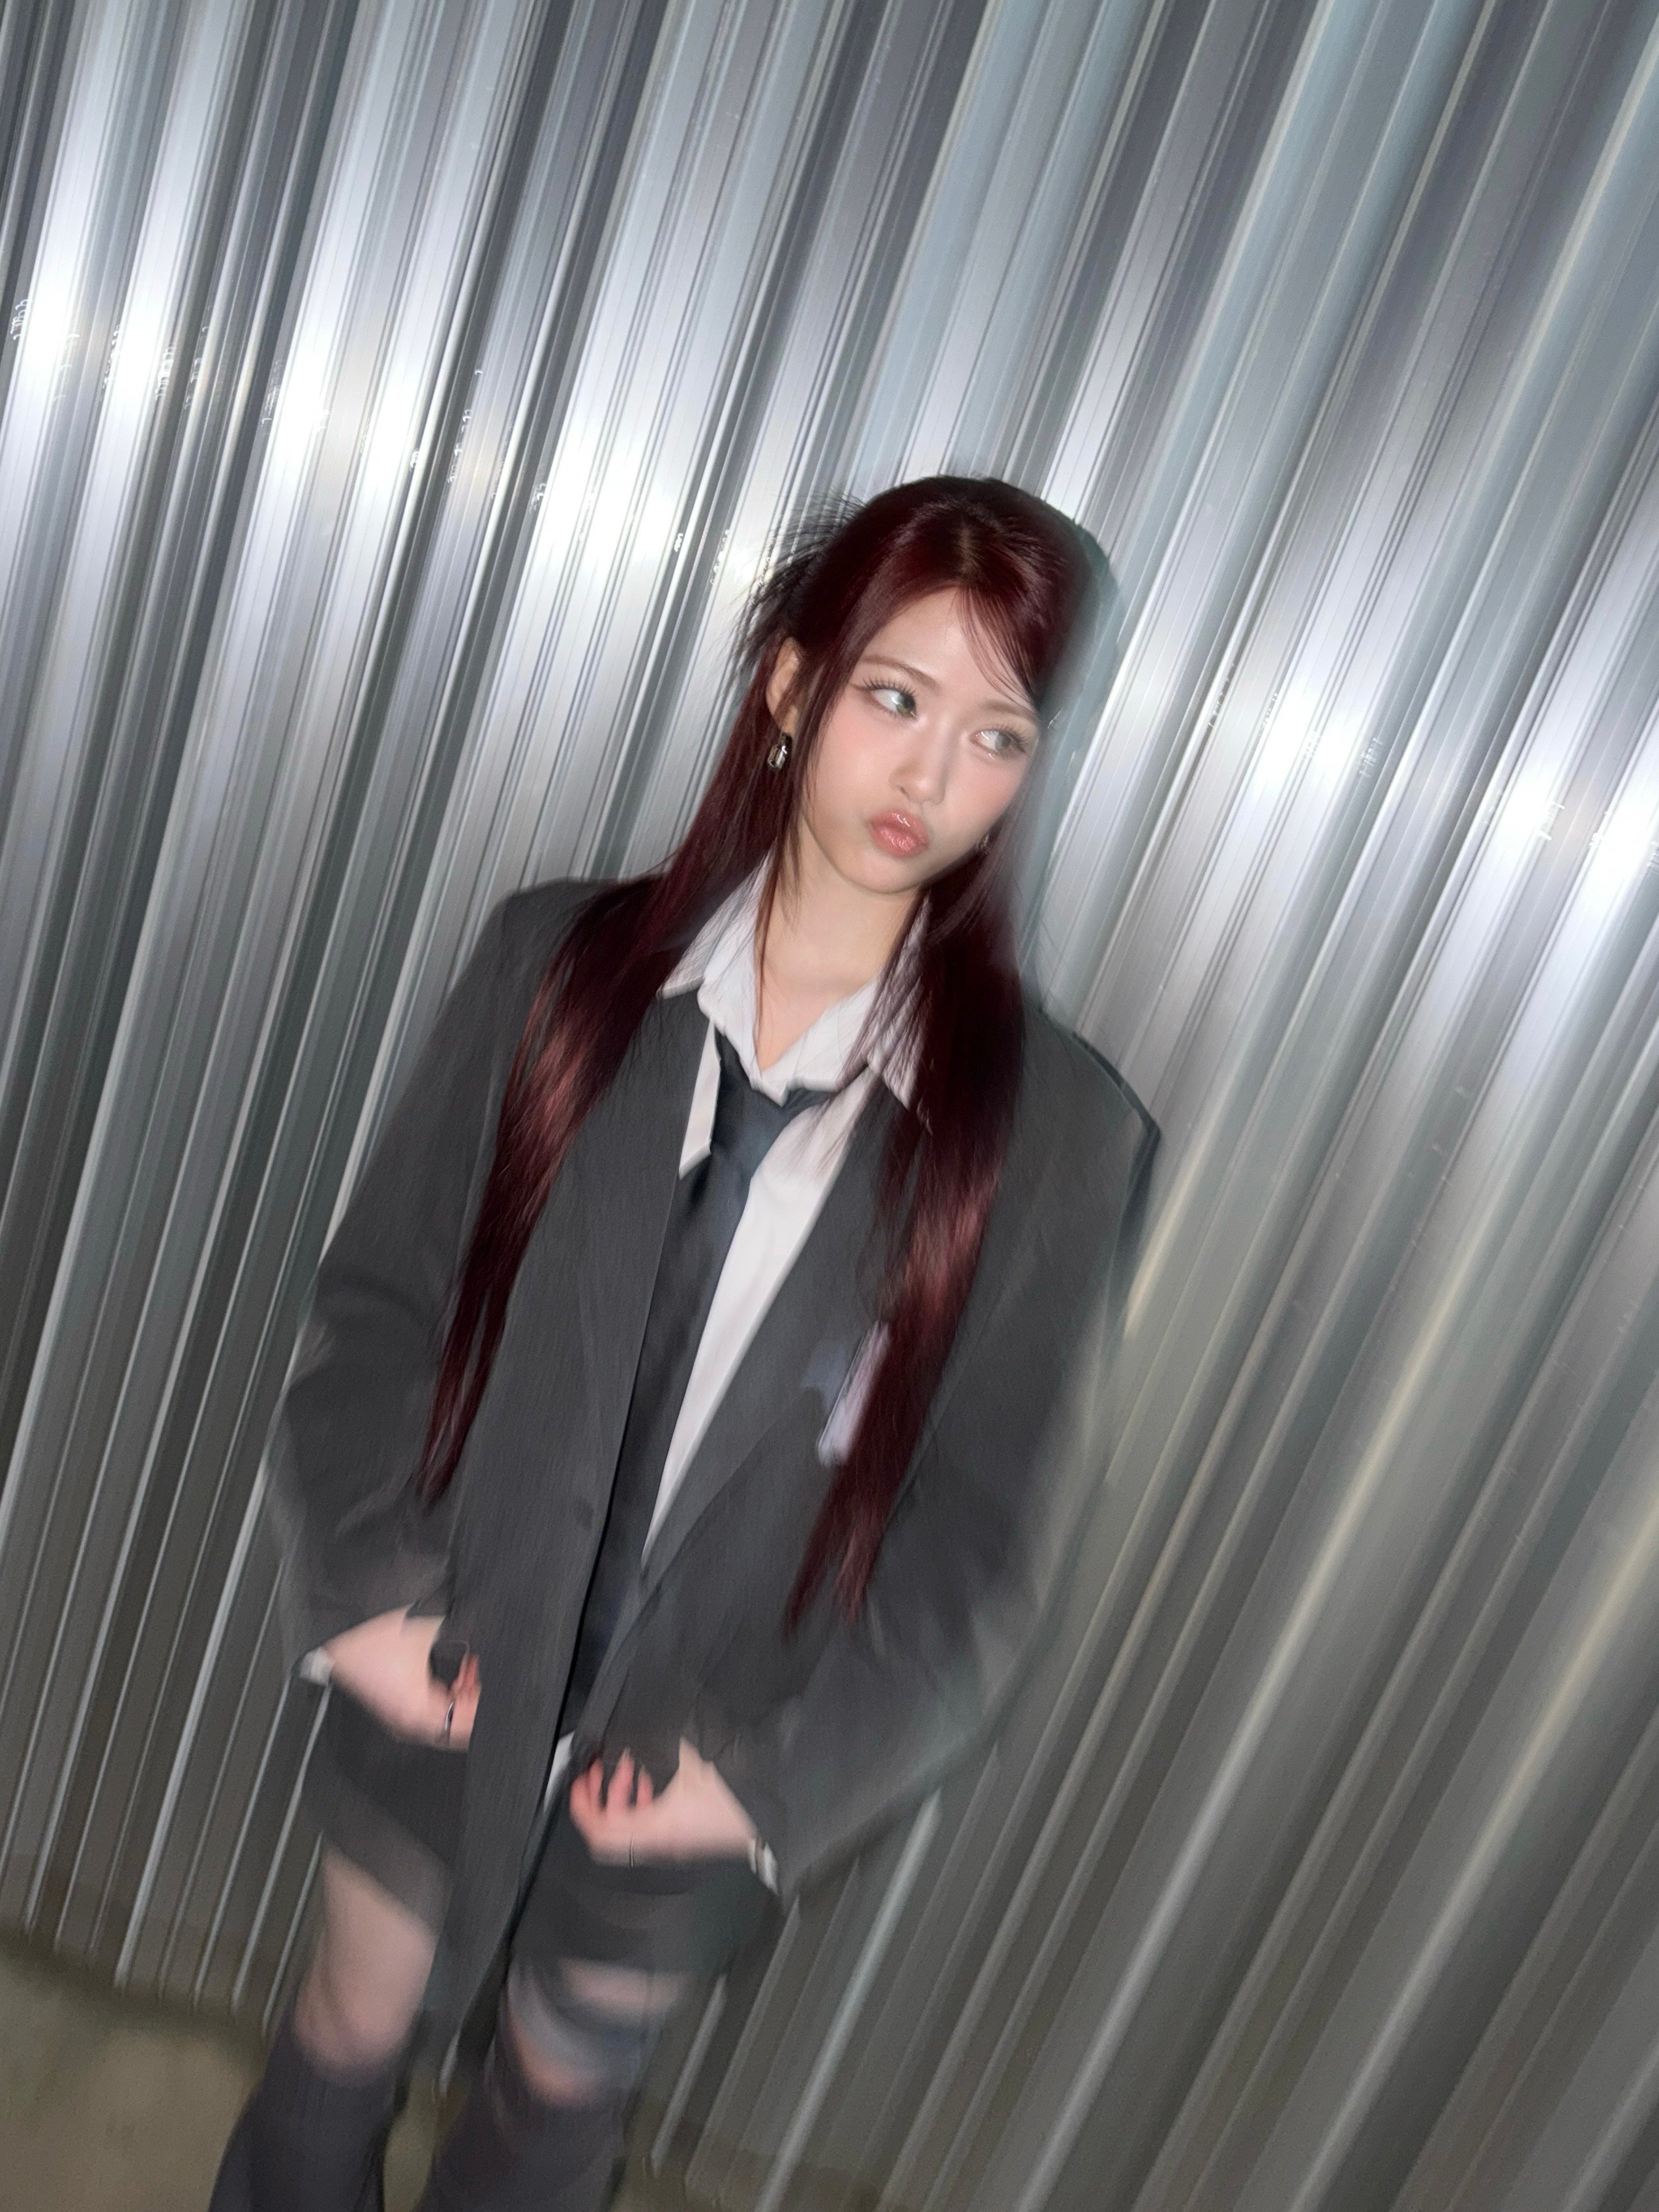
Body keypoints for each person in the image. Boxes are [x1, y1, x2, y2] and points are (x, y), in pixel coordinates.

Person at [209, 475, 1157, 2211]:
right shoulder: (558, 968)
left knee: (549, 2124)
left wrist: (764, 1786)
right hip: (445, 1668)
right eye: (895, 697)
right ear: (791, 685)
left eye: (997, 734)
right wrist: (364, 1591)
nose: (933, 776)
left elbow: (982, 1555)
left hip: (698, 1755)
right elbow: (381, 1310)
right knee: (341, 2041)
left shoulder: (1057, 1140)